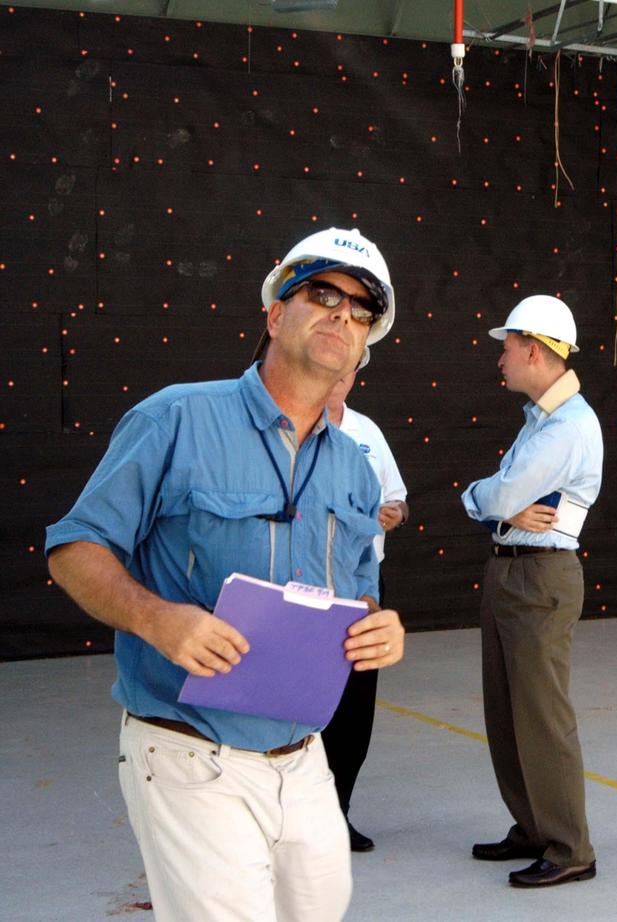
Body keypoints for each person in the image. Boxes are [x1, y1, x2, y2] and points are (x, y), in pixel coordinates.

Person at [45, 227, 407, 922]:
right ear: (276, 313)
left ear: (366, 345)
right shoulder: (177, 418)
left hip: (303, 759)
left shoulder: (355, 467)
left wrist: (376, 625)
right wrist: (155, 618)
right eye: (323, 294)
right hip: (189, 752)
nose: (343, 315)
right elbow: (75, 547)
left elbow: (358, 589)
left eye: (362, 311)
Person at [461, 295, 603, 888]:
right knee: (508, 712)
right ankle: (533, 826)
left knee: (541, 717)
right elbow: (501, 503)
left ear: (535, 352)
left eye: (508, 348)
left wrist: (482, 499)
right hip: (514, 569)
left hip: (538, 577)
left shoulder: (567, 429)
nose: (501, 359)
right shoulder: (543, 424)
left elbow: (493, 497)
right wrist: (496, 504)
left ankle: (570, 848)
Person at [320, 353, 409, 853]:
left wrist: (393, 512)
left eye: (350, 367)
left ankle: (338, 814)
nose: (340, 374)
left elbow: (398, 498)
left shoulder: (368, 433)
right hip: (313, 589)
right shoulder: (291, 426)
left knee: (354, 715)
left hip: (363, 592)